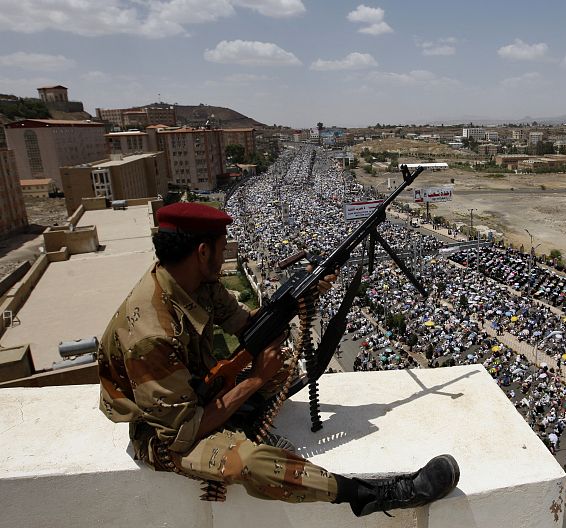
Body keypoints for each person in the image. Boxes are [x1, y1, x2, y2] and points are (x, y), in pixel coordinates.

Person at [97, 202, 459, 516]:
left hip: (196, 390)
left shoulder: (193, 283)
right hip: (160, 432)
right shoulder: (151, 334)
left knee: (279, 369)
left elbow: (246, 326)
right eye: (222, 247)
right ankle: (374, 495)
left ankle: (242, 420)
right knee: (253, 462)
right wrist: (254, 380)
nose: (226, 254)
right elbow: (181, 433)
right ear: (203, 252)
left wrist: (302, 293)